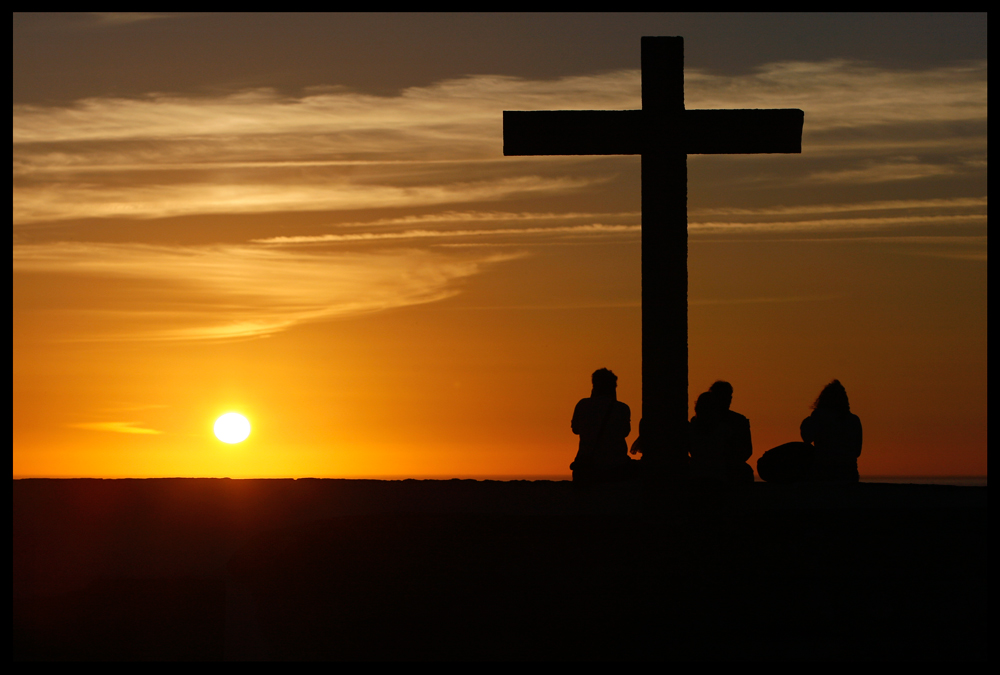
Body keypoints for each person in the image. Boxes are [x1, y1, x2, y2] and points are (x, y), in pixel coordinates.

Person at [757, 380, 862, 483]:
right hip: (850, 473)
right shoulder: (854, 420)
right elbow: (857, 451)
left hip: (824, 472)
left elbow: (806, 438)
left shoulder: (819, 417)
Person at [570, 368, 636, 483]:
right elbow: (625, 432)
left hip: (587, 464)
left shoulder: (583, 405)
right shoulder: (622, 408)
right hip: (616, 465)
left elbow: (575, 429)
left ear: (594, 386)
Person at [688, 382, 754, 483]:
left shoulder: (736, 421)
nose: (727, 400)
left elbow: (746, 451)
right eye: (722, 396)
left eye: (728, 396)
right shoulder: (730, 424)